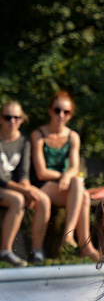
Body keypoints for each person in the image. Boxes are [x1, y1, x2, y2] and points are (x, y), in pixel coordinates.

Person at [30, 92, 100, 261]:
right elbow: (41, 172)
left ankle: (75, 240)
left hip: (65, 187)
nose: (61, 115)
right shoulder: (38, 135)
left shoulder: (72, 136)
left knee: (81, 190)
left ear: (70, 115)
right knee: (81, 191)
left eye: (66, 112)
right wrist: (64, 176)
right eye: (57, 110)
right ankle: (82, 245)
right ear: (50, 111)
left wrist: (67, 177)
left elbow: (75, 167)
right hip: (43, 186)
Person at [0, 100, 51, 266]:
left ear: (22, 119)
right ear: (1, 119)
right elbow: (1, 179)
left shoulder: (24, 142)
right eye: (8, 117)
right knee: (18, 200)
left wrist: (27, 189)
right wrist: (24, 191)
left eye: (16, 117)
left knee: (42, 199)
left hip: (14, 188)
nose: (12, 121)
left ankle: (37, 251)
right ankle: (5, 251)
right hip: (5, 188)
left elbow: (23, 173)